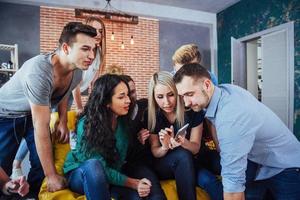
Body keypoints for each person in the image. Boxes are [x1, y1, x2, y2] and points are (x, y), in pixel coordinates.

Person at [174, 63, 300, 200]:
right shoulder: (226, 90)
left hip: (286, 167)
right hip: (259, 162)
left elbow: (233, 190)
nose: (186, 103)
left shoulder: (231, 117)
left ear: (207, 85)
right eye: (182, 96)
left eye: (190, 94)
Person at [0, 22, 97, 196]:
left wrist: (62, 120)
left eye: (93, 49)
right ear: (66, 48)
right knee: (4, 169)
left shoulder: (77, 72)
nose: (92, 55)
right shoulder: (39, 71)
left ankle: (32, 195)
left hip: (31, 112)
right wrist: (52, 175)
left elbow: (64, 93)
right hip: (6, 114)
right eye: (85, 49)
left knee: (42, 161)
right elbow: (41, 126)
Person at [63, 74, 166, 200]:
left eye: (127, 94)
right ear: (106, 101)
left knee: (139, 197)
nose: (128, 100)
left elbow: (119, 163)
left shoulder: (122, 122)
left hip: (111, 176)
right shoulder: (87, 124)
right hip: (82, 174)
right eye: (121, 97)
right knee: (94, 166)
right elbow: (100, 169)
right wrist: (134, 183)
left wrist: (139, 141)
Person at [145, 71, 222, 200]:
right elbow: (155, 151)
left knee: (220, 167)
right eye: (160, 97)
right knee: (183, 156)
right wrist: (164, 147)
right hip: (165, 163)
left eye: (171, 95)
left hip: (194, 158)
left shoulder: (191, 111)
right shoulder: (152, 115)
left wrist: (183, 142)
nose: (167, 102)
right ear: (153, 97)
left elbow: (196, 147)